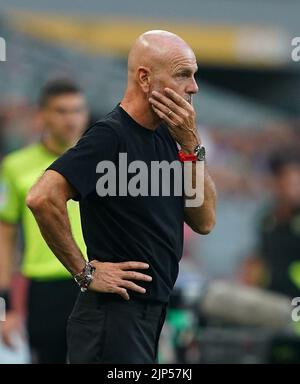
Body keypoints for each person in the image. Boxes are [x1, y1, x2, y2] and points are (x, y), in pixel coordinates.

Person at [26, 30, 216, 364]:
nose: (194, 86)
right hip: (112, 318)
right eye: (183, 74)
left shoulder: (169, 139)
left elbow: (204, 220)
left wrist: (190, 147)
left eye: (194, 74)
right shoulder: (110, 136)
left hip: (148, 316)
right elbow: (42, 197)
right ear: (145, 78)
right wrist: (84, 272)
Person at [0, 79, 89, 363]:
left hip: (94, 280)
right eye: (61, 111)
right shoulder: (15, 167)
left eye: (77, 110)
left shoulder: (100, 163)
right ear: (42, 115)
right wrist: (6, 307)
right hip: (44, 286)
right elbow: (4, 238)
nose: (71, 119)